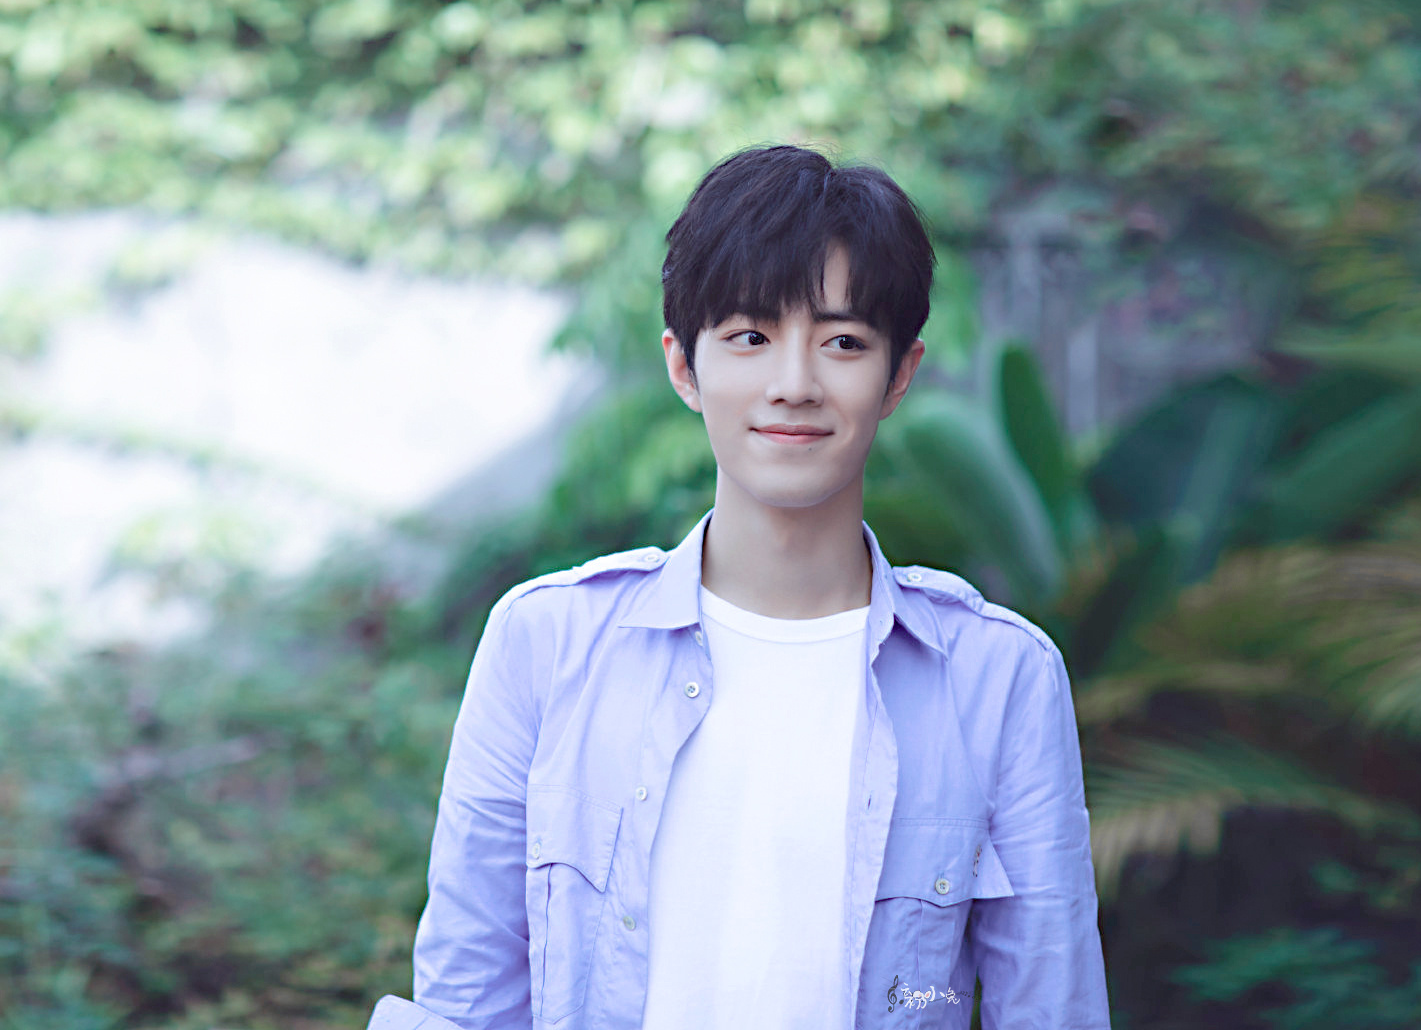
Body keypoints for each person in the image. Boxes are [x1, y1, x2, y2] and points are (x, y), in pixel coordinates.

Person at [369, 145, 1111, 1030]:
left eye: (842, 342)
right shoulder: (545, 642)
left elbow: (1050, 1008)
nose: (793, 385)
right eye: (750, 338)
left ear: (900, 375)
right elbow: (463, 999)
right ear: (684, 367)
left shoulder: (998, 677)